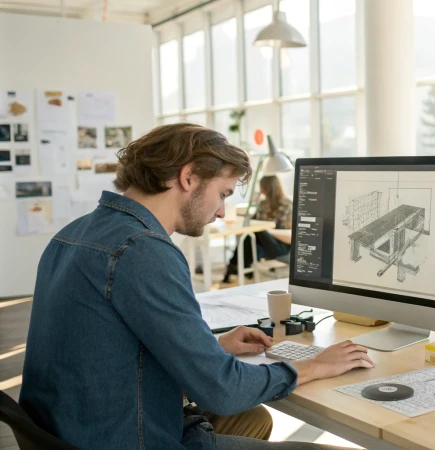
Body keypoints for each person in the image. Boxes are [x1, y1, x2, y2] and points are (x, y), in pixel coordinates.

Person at [19, 123, 374, 450]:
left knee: (251, 420)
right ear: (188, 177)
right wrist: (315, 366)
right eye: (222, 193)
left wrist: (212, 347)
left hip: (68, 429)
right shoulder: (143, 250)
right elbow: (223, 391)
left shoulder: (75, 233)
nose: (221, 211)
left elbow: (104, 347)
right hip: (127, 438)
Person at [222, 176, 292, 284]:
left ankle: (234, 267)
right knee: (249, 238)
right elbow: (254, 221)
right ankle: (239, 268)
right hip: (263, 243)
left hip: (280, 246)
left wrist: (267, 231)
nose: (260, 190)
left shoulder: (287, 205)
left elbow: (291, 235)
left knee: (256, 233)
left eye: (262, 187)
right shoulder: (263, 204)